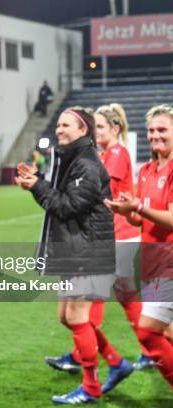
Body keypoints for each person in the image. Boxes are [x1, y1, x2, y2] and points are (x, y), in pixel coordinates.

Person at [15, 106, 115, 404]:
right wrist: (36, 184)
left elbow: (68, 206)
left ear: (83, 130)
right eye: (58, 125)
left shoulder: (86, 163)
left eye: (66, 125)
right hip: (75, 249)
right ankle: (115, 361)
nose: (59, 129)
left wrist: (37, 186)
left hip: (88, 251)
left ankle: (91, 387)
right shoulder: (70, 160)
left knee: (76, 317)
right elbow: (60, 202)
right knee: (66, 317)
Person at [44, 103, 146, 393]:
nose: (97, 132)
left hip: (116, 236)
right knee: (96, 306)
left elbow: (87, 197)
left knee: (91, 308)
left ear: (114, 129)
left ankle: (100, 362)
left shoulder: (111, 156)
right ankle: (110, 356)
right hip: (102, 237)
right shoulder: (97, 156)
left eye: (102, 127)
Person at [105, 104, 173, 389]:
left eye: (162, 130)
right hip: (152, 261)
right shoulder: (146, 170)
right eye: (151, 130)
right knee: (167, 333)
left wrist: (139, 211)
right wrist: (126, 212)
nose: (155, 135)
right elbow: (140, 217)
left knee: (147, 332)